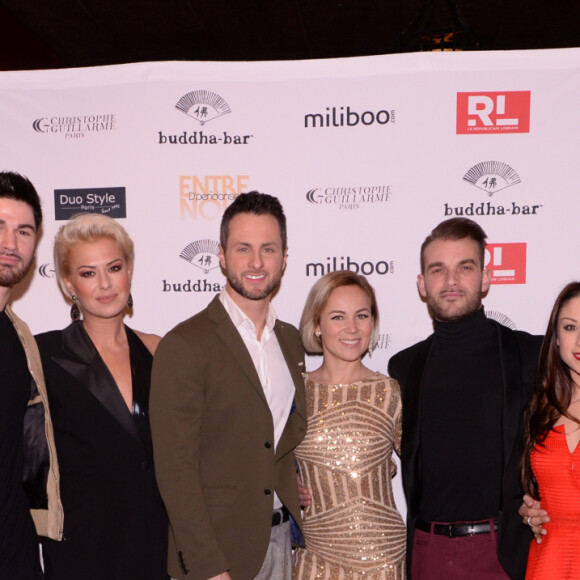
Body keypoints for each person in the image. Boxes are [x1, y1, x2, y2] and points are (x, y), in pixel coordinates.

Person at [150, 191, 306, 580]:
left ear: (284, 258)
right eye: (243, 248)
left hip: (282, 542)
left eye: (268, 249)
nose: (256, 262)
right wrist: (207, 566)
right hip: (219, 555)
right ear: (221, 255)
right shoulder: (185, 344)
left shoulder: (289, 340)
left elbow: (276, 442)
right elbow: (175, 469)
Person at [387, 217, 543, 580]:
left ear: (486, 278)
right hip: (428, 552)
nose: (452, 280)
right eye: (438, 269)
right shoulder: (404, 367)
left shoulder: (530, 355)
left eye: (465, 267)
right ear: (422, 284)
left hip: (504, 553)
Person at [35, 213, 169, 579]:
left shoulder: (157, 350)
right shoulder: (42, 355)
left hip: (153, 542)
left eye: (114, 267)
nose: (106, 284)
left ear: (129, 270)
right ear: (68, 284)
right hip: (83, 549)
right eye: (88, 272)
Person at [293, 270, 406, 579]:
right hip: (315, 558)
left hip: (382, 559)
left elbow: (428, 471)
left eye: (361, 315)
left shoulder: (389, 392)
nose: (352, 329)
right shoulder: (295, 393)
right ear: (317, 325)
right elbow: (260, 460)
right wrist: (285, 485)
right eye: (338, 317)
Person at [0, 171, 63, 579]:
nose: (10, 243)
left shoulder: (20, 338)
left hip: (16, 554)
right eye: (0, 227)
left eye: (23, 231)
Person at [519, 281, 580, 578]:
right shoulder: (540, 408)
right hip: (550, 561)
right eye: (570, 328)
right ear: (555, 337)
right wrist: (528, 511)